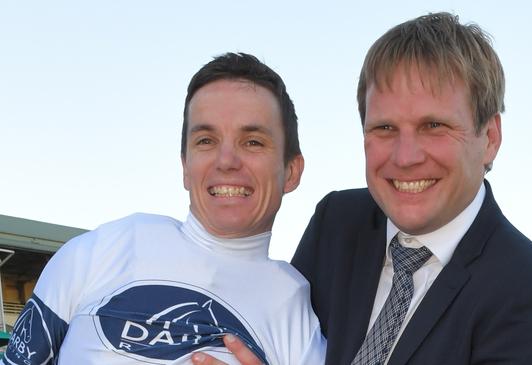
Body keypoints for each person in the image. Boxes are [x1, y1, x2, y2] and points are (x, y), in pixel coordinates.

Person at [193, 12, 532, 365]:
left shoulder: (530, 293)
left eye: (434, 126)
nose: (406, 157)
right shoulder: (338, 223)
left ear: (489, 138)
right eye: (385, 128)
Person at [1, 53, 325, 365]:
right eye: (206, 141)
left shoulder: (294, 309)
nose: (226, 161)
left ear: (291, 172)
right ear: (186, 166)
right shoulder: (102, 249)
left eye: (252, 141)